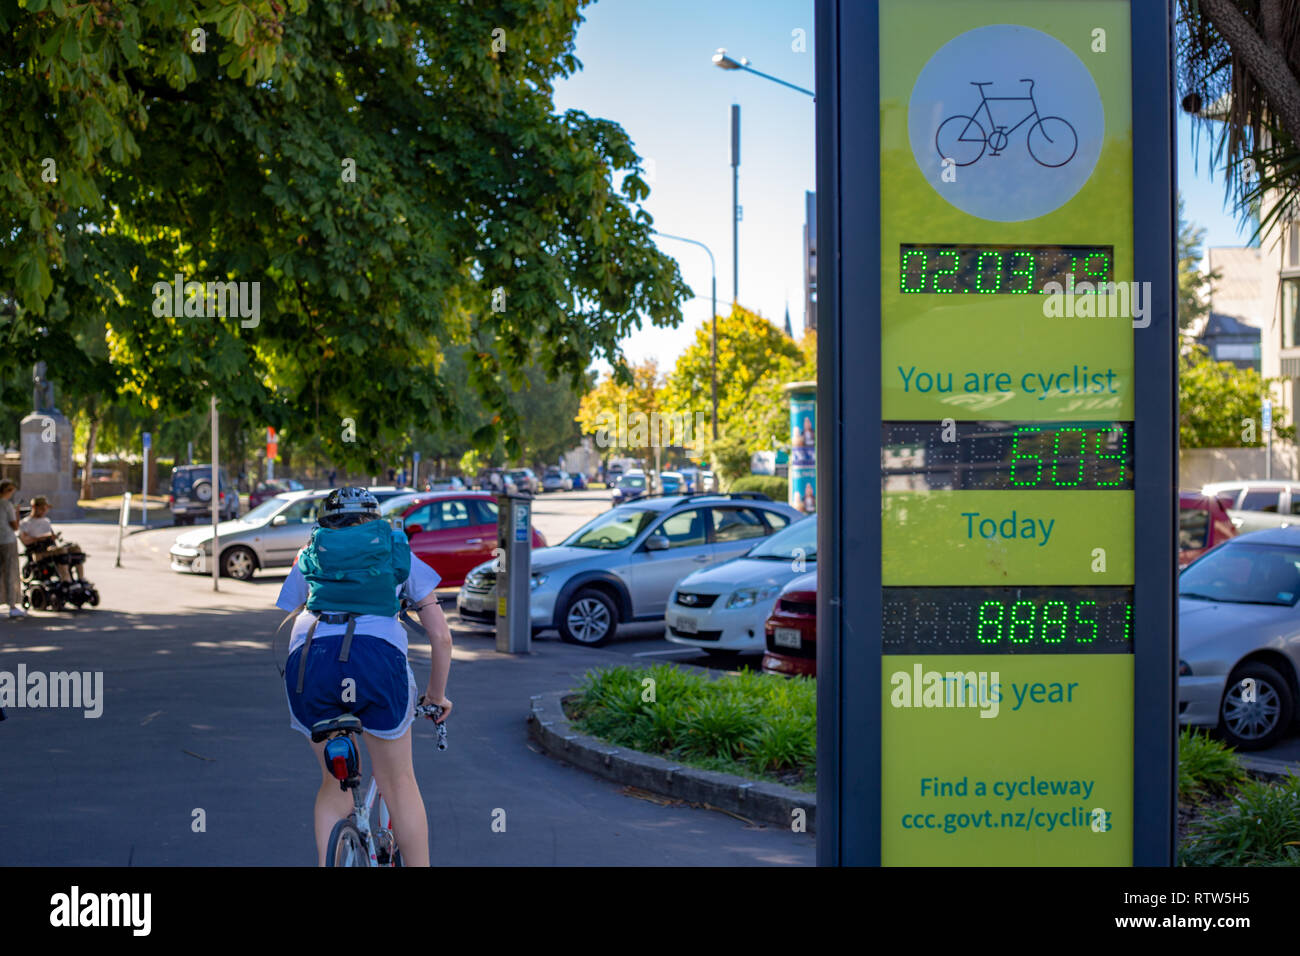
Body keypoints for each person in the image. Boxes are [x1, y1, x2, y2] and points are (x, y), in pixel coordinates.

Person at [276, 487, 452, 867]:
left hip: (311, 664)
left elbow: (290, 608)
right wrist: (436, 696)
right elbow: (441, 637)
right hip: (377, 664)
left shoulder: (311, 553)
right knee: (399, 783)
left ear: (326, 521)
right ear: (375, 519)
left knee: (334, 782)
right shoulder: (397, 551)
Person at [19, 496, 85, 584]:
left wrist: (53, 537)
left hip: (50, 549)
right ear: (34, 507)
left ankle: (81, 579)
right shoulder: (26, 523)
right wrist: (41, 538)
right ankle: (66, 579)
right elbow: (25, 540)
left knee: (75, 548)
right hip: (37, 552)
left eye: (46, 509)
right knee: (61, 551)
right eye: (42, 509)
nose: (44, 511)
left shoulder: (46, 521)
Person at [0, 480, 23, 618]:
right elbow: (15, 526)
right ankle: (12, 605)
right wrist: (17, 513)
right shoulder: (7, 505)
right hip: (7, 540)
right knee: (10, 571)